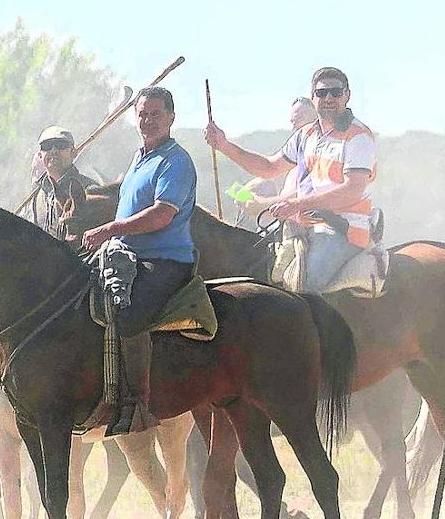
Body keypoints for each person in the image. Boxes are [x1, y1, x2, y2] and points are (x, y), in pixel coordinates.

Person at [81, 87, 198, 436]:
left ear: (172, 117)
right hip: (128, 256)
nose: (148, 121)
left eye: (155, 114)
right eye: (142, 114)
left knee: (127, 312)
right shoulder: (139, 158)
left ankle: (136, 404)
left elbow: (162, 215)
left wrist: (111, 229)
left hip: (165, 260)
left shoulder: (176, 161)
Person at [204, 67, 377, 292]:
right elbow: (269, 167)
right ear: (313, 97)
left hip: (342, 230)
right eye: (322, 93)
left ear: (347, 95)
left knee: (304, 288)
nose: (329, 98)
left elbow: (352, 190)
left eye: (335, 92)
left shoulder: (358, 137)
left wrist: (295, 205)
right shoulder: (305, 135)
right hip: (301, 225)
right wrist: (224, 145)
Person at [228, 98, 319, 227]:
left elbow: (307, 193)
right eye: (293, 122)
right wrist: (248, 192)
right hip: (283, 225)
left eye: (300, 119)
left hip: (307, 228)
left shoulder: (323, 154)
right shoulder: (296, 154)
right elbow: (270, 168)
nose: (295, 128)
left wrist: (261, 205)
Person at [27, 126, 98, 238]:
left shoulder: (89, 189)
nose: (53, 151)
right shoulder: (35, 201)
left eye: (61, 145)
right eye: (47, 146)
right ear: (40, 155)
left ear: (73, 153)